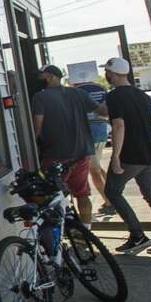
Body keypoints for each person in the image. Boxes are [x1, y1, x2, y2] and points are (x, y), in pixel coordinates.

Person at [102, 57, 151, 255]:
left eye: (107, 72)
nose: (106, 75)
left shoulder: (114, 96)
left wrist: (116, 156)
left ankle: (137, 236)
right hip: (148, 153)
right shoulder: (141, 95)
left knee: (112, 191)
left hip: (129, 154)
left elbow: (119, 125)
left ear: (112, 74)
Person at [31, 65, 107, 223]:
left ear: (51, 76)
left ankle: (62, 231)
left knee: (52, 195)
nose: (38, 79)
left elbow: (37, 126)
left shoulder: (40, 97)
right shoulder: (79, 93)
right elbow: (102, 112)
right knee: (82, 193)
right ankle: (85, 230)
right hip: (81, 153)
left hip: (55, 155)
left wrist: (32, 147)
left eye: (41, 76)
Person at [73, 79, 114, 215]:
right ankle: (112, 197)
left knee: (94, 170)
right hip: (101, 131)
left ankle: (110, 202)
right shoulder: (100, 88)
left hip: (88, 134)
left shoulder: (78, 91)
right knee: (97, 165)